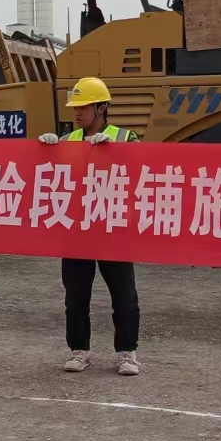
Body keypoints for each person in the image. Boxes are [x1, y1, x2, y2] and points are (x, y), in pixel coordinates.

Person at [38, 77, 142, 376]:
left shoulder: (125, 137)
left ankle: (127, 353)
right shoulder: (67, 140)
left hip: (112, 227)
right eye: (75, 106)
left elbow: (141, 169)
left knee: (124, 295)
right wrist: (46, 150)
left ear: (102, 107)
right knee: (75, 296)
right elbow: (49, 177)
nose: (77, 112)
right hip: (77, 230)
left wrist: (114, 151)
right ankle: (78, 350)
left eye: (84, 106)